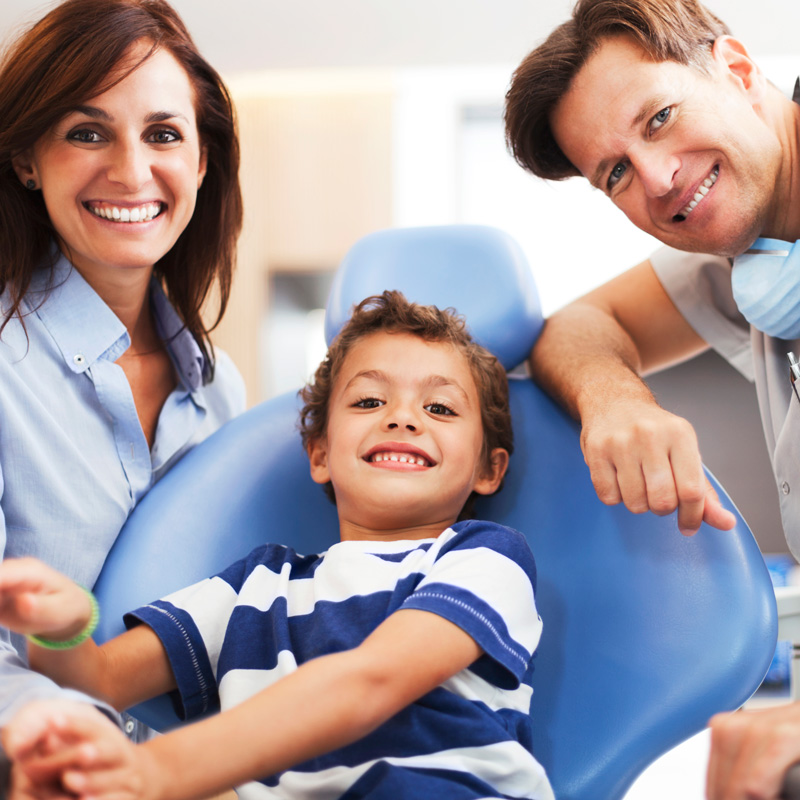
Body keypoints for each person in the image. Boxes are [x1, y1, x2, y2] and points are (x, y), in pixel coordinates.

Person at [0, 290, 554, 800]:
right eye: (367, 402)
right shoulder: (256, 587)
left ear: (488, 468)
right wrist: (61, 628)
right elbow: (98, 683)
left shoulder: (484, 558)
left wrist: (154, 772)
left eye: (440, 408)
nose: (402, 417)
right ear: (319, 454)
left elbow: (370, 682)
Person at [504, 0, 800, 796]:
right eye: (617, 173)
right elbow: (578, 328)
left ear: (738, 70)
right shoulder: (751, 248)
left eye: (661, 117)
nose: (661, 178)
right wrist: (615, 400)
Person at [0, 0, 245, 769]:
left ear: (202, 161)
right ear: (27, 158)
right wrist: (70, 739)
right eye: (87, 131)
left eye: (164, 134)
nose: (132, 170)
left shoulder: (221, 391)